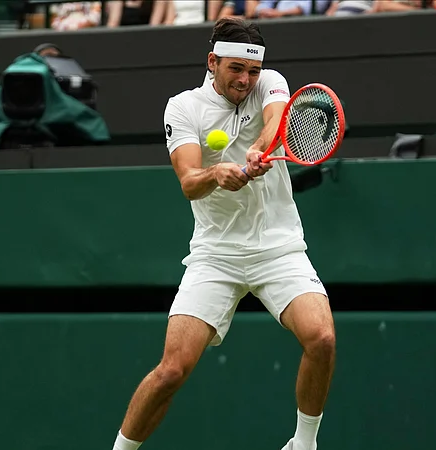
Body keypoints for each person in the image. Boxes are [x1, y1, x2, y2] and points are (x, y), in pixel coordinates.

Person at [110, 16, 336, 450]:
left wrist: (259, 148)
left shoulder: (270, 81)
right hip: (215, 254)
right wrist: (217, 173)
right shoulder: (183, 107)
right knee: (172, 370)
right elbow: (189, 181)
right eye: (236, 69)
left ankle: (304, 445)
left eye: (252, 71)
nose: (247, 80)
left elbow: (275, 120)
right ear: (212, 62)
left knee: (322, 337)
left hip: (278, 246)